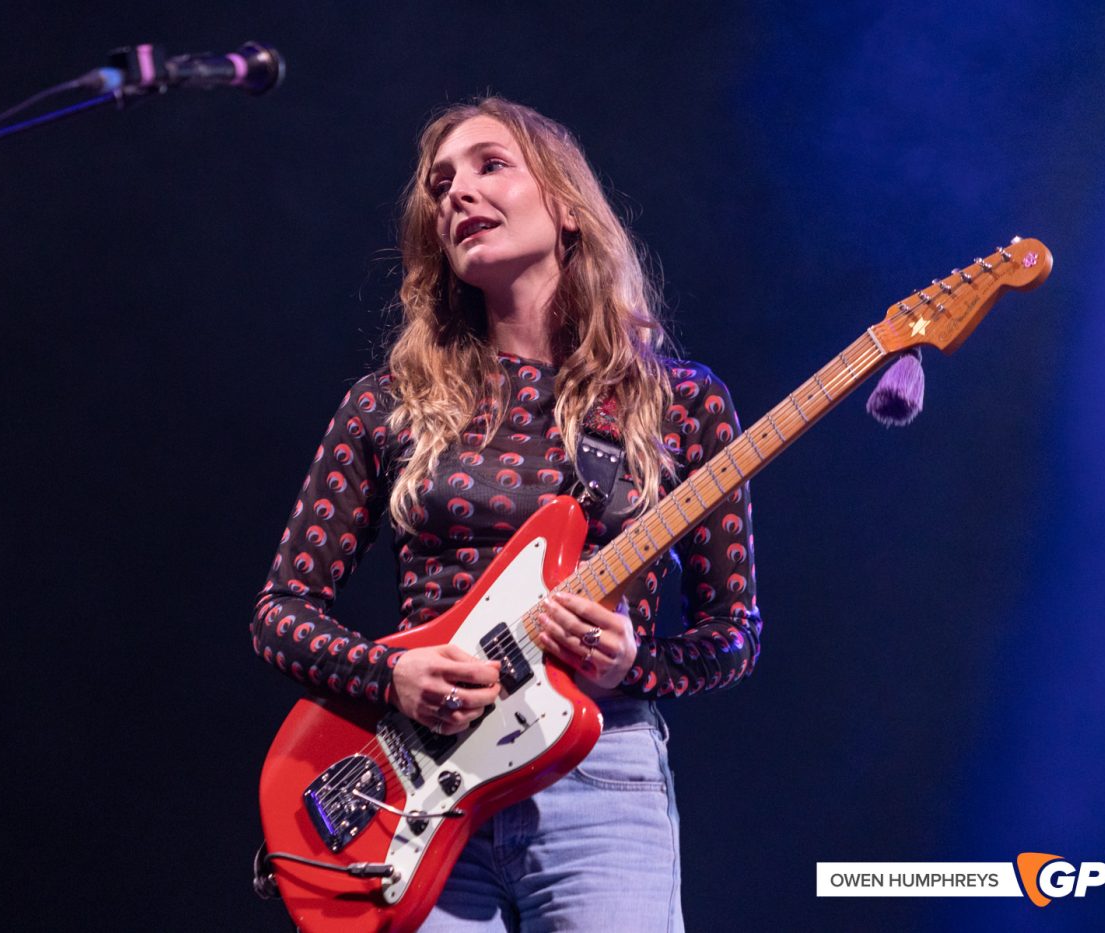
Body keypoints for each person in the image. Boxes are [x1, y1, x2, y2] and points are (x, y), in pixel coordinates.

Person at [251, 97, 762, 932]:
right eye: (440, 184)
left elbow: (735, 631)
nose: (457, 192)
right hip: (417, 785)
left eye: (491, 165)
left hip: (599, 773)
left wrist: (635, 664)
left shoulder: (680, 402)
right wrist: (390, 676)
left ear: (566, 207)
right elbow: (281, 612)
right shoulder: (388, 402)